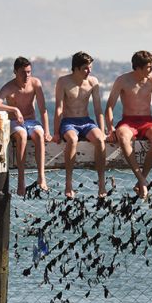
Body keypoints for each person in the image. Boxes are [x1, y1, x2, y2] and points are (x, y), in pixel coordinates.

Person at [105, 50, 152, 198]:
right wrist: (110, 129)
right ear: (138, 68)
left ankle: (142, 179)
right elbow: (109, 106)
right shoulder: (122, 80)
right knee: (122, 136)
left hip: (147, 120)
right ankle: (141, 179)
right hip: (128, 121)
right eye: (149, 67)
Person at [0, 57, 51, 196]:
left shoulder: (35, 83)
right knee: (22, 135)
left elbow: (43, 109)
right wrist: (14, 110)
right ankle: (21, 181)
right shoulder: (9, 87)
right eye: (23, 72)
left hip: (31, 121)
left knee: (39, 134)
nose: (27, 75)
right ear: (15, 72)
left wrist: (47, 131)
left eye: (29, 72)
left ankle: (42, 177)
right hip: (15, 123)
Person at [51, 51, 107, 198]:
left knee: (100, 140)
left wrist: (102, 130)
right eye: (85, 68)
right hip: (69, 122)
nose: (89, 71)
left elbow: (97, 108)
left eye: (90, 68)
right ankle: (68, 184)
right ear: (75, 68)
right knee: (72, 140)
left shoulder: (93, 82)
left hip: (86, 121)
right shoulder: (63, 82)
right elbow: (59, 108)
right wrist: (56, 132)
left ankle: (101, 183)